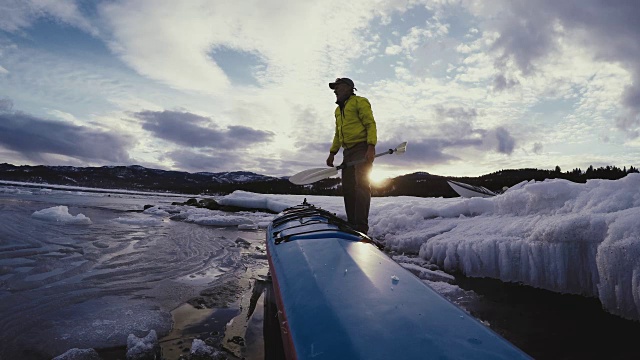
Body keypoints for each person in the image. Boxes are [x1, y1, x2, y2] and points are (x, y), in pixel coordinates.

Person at [326, 78, 377, 234]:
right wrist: (332, 152)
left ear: (348, 88)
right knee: (348, 187)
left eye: (338, 87)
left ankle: (361, 226)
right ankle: (352, 222)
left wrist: (371, 147)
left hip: (362, 148)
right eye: (334, 88)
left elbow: (370, 123)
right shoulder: (337, 111)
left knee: (361, 185)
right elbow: (337, 133)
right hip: (347, 152)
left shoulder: (360, 102)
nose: (335, 91)